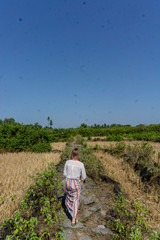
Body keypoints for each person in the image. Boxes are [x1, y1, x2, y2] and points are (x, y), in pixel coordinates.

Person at [63, 147, 87, 225]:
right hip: (75, 182)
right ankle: (74, 219)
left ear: (71, 154)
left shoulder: (67, 162)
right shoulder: (81, 164)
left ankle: (71, 212)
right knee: (75, 200)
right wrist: (81, 179)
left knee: (68, 198)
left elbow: (65, 174)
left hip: (67, 182)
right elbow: (84, 177)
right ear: (78, 155)